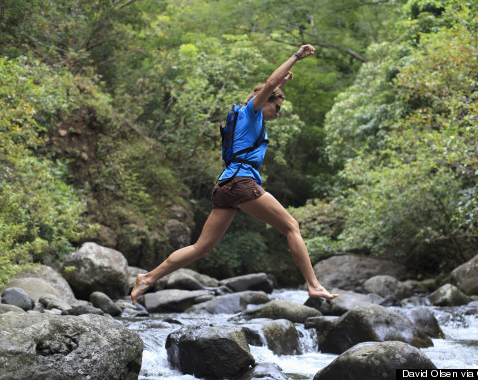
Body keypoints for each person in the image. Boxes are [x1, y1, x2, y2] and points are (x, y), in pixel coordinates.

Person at [131, 44, 338, 305]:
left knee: (202, 248)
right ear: (265, 101)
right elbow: (270, 82)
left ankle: (148, 278)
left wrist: (283, 83)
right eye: (277, 106)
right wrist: (295, 57)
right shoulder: (251, 111)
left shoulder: (251, 121)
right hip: (241, 182)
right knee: (291, 227)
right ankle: (314, 284)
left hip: (225, 186)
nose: (278, 112)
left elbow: (275, 84)